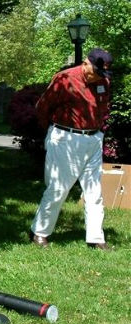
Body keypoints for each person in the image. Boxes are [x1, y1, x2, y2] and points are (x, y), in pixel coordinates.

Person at [29, 48, 113, 250]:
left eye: (102, 75)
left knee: (94, 192)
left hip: (93, 139)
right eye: (96, 73)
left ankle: (96, 238)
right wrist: (50, 135)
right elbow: (42, 108)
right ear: (85, 64)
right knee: (58, 188)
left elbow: (103, 107)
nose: (98, 79)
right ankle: (39, 232)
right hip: (66, 138)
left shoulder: (103, 82)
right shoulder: (64, 79)